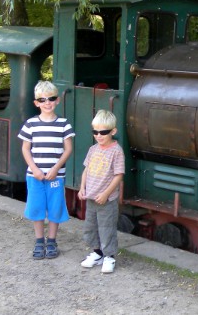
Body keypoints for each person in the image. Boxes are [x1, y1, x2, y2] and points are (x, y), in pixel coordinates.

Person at [18, 80, 74, 259]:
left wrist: (56, 169)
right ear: (36, 103)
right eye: (42, 100)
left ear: (57, 100)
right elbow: (25, 149)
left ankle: (52, 240)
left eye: (51, 99)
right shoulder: (30, 124)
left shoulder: (64, 124)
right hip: (35, 176)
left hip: (55, 176)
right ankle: (39, 240)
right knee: (37, 207)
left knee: (55, 207)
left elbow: (68, 149)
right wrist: (34, 169)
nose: (47, 103)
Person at [78, 110, 125, 273]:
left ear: (113, 131)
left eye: (103, 132)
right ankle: (97, 253)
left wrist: (106, 194)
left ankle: (109, 256)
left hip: (106, 199)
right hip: (91, 196)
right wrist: (82, 187)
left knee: (106, 228)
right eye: (95, 132)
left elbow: (118, 175)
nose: (99, 135)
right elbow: (86, 170)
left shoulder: (116, 151)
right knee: (91, 227)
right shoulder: (93, 149)